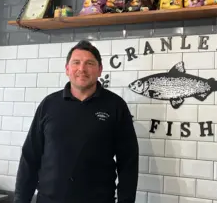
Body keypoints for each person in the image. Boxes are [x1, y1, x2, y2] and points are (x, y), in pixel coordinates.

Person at [14, 40, 139, 203]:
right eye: (76, 63)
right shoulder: (49, 104)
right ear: (67, 69)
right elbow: (30, 157)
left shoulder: (115, 106)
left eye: (89, 63)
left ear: (100, 70)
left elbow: (128, 161)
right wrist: (20, 199)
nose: (82, 69)